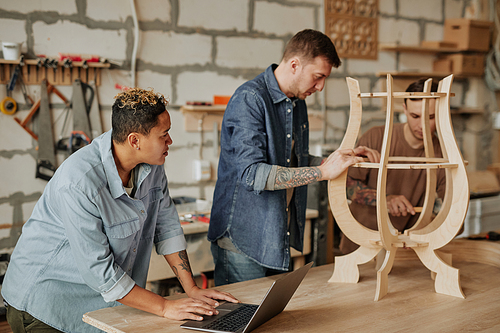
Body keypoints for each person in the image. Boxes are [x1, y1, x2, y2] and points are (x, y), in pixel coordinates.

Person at [2, 88, 238, 333]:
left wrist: (192, 289)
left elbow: (166, 225)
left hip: (99, 302)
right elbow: (100, 273)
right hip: (44, 304)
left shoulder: (152, 166)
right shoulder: (79, 182)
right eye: (164, 134)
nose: (170, 141)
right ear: (134, 140)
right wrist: (165, 307)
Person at [208, 29, 377, 286]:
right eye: (318, 77)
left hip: (273, 235)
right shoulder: (250, 99)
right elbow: (252, 174)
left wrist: (338, 159)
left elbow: (292, 161)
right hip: (242, 241)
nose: (320, 87)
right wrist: (322, 172)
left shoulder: (297, 103)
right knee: (240, 322)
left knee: (272, 321)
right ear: (295, 65)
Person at [340, 78, 447, 254]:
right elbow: (346, 188)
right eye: (415, 116)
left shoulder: (443, 153)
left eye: (430, 117)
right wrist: (384, 199)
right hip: (360, 248)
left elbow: (448, 207)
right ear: (404, 109)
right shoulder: (375, 137)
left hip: (405, 251)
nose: (421, 125)